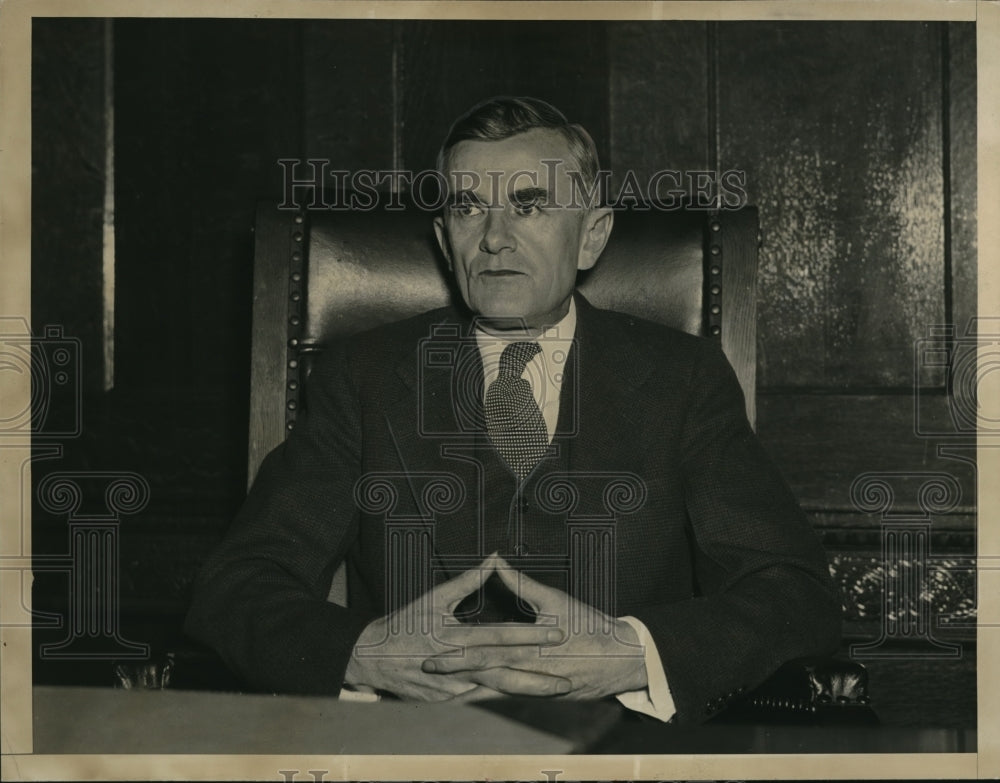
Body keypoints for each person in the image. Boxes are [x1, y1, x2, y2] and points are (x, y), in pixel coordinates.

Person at [185, 96, 840, 724]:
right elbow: (236, 585)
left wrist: (634, 653)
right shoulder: (363, 378)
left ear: (592, 236)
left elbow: (794, 593)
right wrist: (362, 653)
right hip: (417, 752)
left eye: (529, 206)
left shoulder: (683, 379)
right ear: (446, 243)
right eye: (469, 208)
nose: (495, 238)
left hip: (620, 754)